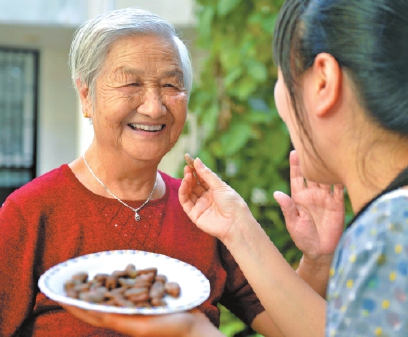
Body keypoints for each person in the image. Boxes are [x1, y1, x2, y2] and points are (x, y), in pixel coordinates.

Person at [60, 0, 408, 336]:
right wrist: (240, 226)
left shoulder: (396, 236)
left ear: (324, 83)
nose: (154, 105)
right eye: (131, 83)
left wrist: (193, 330)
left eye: (282, 79)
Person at [0, 8, 284, 337]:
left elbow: (287, 324)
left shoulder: (203, 211)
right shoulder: (31, 213)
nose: (153, 107)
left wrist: (317, 259)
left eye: (170, 85)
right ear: (85, 95)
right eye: (131, 83)